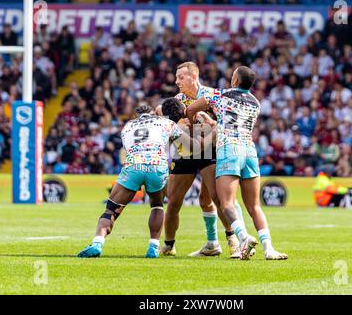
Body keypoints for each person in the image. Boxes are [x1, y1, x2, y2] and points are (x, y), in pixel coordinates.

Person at [186, 66, 288, 260]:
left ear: (234, 81)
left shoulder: (220, 95)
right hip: (249, 150)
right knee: (254, 206)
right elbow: (234, 121)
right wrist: (213, 121)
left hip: (229, 149)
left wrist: (193, 126)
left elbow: (191, 108)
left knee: (226, 203)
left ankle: (243, 237)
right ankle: (269, 249)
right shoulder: (256, 103)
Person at [77, 104, 203, 258]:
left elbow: (131, 147)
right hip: (157, 166)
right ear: (153, 113)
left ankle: (97, 243)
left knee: (111, 209)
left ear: (136, 116)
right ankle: (153, 247)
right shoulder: (166, 123)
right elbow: (192, 148)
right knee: (157, 205)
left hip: (134, 166)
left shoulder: (127, 127)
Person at [157, 62, 249, 258]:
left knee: (215, 198)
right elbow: (163, 117)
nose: (176, 81)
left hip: (209, 151)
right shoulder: (177, 101)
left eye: (180, 77)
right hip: (185, 152)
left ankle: (232, 240)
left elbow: (224, 123)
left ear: (194, 77)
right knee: (173, 202)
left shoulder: (213, 96)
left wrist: (210, 126)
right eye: (176, 77)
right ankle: (170, 245)